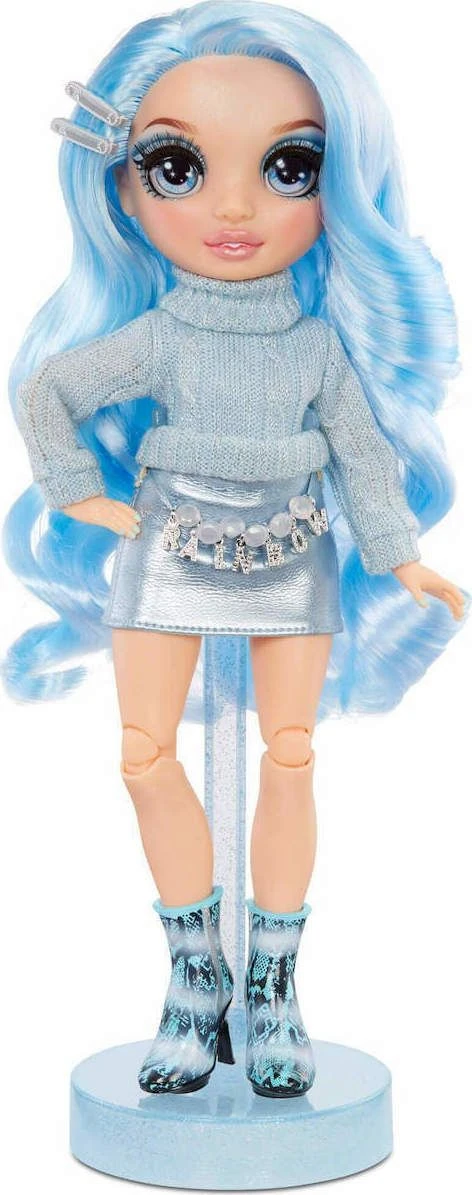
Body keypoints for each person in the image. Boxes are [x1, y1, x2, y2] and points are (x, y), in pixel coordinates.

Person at [3, 2, 469, 1098]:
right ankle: (194, 972)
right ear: (122, 189)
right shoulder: (158, 336)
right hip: (166, 542)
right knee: (142, 752)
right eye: (177, 167)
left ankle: (274, 982)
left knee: (292, 753)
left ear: (338, 187)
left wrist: (398, 555)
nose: (232, 207)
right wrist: (79, 495)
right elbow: (49, 391)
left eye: (289, 167)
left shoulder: (316, 347)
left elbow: (361, 455)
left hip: (292, 547)